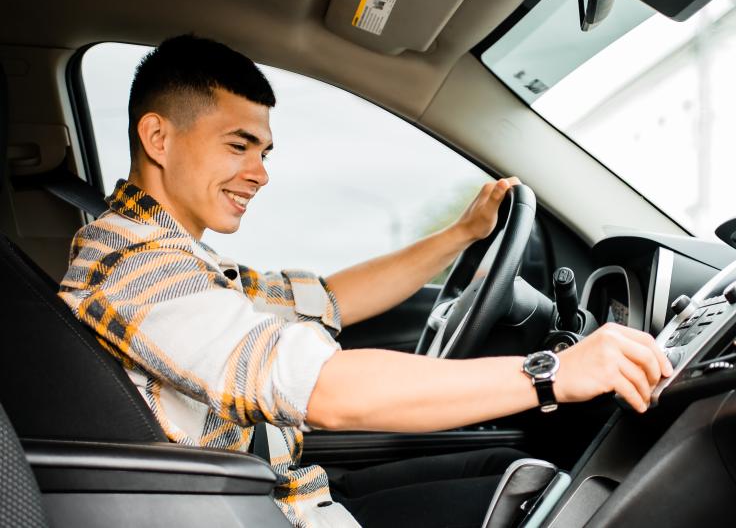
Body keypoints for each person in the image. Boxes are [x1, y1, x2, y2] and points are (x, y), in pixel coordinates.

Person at [58, 35, 671, 528]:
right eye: (239, 145)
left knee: (512, 466)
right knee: (560, 498)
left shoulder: (177, 258)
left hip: (281, 488)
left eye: (264, 152)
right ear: (158, 138)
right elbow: (323, 391)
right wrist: (554, 373)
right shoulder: (132, 267)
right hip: (267, 512)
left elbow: (329, 299)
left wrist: (458, 235)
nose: (260, 173)